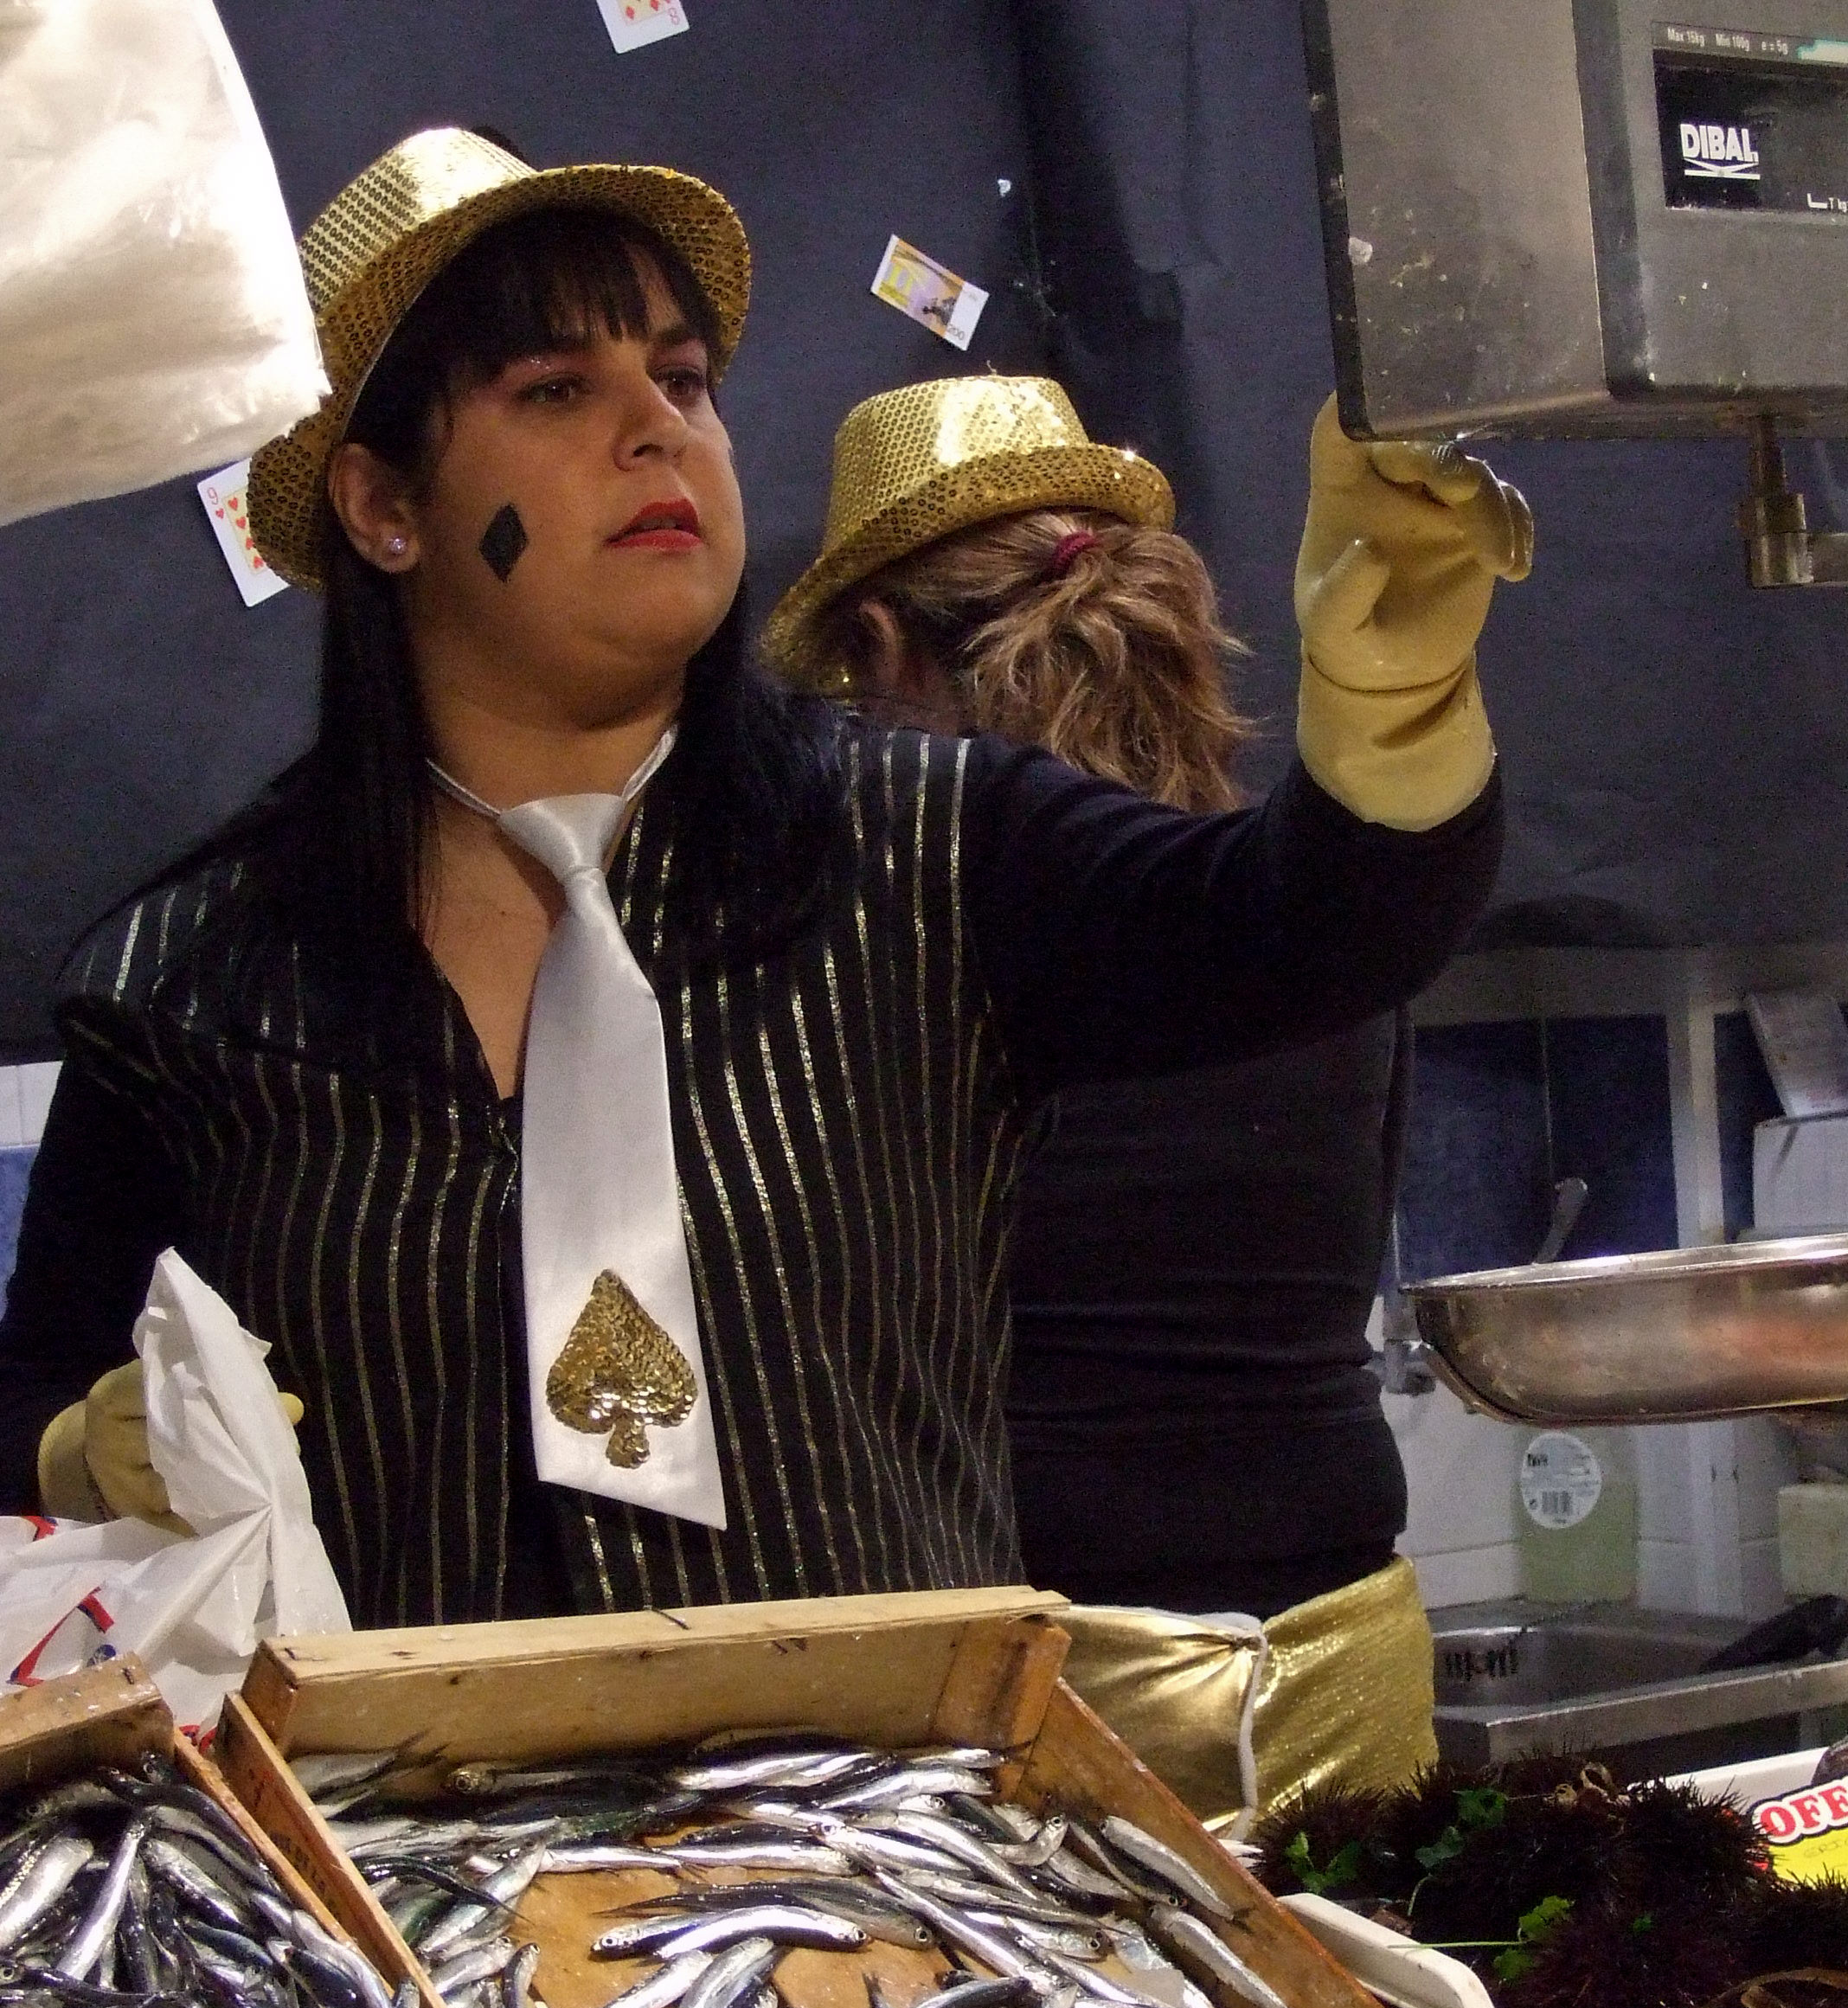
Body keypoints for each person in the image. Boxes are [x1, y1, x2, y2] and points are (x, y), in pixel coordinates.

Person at [0, 129, 1524, 1634]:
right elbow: (26, 1394)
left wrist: (1388, 708)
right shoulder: (192, 980)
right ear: (383, 506)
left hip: (888, 1787)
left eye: (683, 380)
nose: (657, 431)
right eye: (555, 389)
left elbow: (1312, 927)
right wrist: (83, 1444)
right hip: (404, 1792)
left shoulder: (933, 849)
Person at [764, 375, 1491, 1809]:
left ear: (879, 649)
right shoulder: (1293, 919)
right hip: (1343, 1653)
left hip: (1040, 1687)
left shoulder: (898, 953)